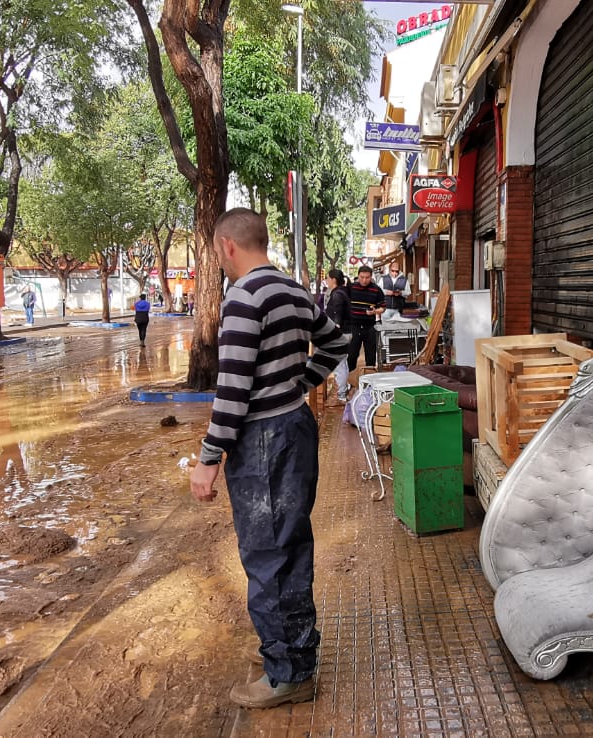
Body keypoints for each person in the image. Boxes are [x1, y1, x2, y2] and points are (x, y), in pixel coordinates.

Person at [188, 208, 348, 709]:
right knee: (292, 544)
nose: (218, 258)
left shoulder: (243, 298)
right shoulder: (293, 289)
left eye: (216, 251)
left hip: (262, 441)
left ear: (228, 246)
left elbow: (232, 393)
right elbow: (337, 342)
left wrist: (208, 458)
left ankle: (288, 674)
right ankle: (289, 651)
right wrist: (299, 384)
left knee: (266, 556)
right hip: (295, 427)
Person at [341, 266, 385, 402]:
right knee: (352, 354)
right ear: (358, 276)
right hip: (354, 326)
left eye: (367, 278)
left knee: (371, 355)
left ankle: (370, 385)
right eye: (362, 277)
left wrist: (375, 312)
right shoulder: (351, 289)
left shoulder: (376, 289)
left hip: (369, 326)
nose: (364, 280)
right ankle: (349, 382)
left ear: (371, 277)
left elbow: (382, 307)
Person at [321, 269, 352, 399]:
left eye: (327, 278)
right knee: (341, 362)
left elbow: (337, 313)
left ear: (333, 279)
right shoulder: (342, 292)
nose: (326, 281)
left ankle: (342, 392)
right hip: (344, 332)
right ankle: (344, 387)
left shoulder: (337, 295)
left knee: (339, 364)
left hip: (340, 333)